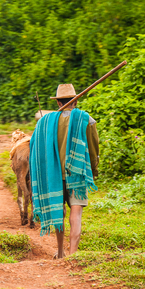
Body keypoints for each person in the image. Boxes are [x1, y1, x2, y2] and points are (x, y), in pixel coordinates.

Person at [30, 84, 99, 259]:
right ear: (75, 102)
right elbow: (93, 148)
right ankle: (72, 255)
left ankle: (60, 252)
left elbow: (36, 148)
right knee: (76, 213)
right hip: (77, 172)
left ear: (59, 102)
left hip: (53, 175)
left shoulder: (45, 122)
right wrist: (93, 169)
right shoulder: (86, 119)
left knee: (58, 212)